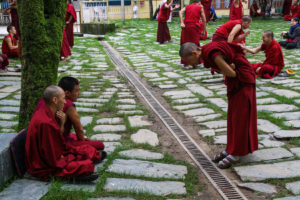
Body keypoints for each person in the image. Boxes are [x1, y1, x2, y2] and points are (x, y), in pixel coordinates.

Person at [179, 42, 257, 169]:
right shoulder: (207, 53)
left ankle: (237, 152)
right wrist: (227, 67)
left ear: (194, 53)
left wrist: (225, 68)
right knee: (233, 117)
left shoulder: (213, 54)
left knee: (240, 118)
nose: (191, 64)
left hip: (243, 81)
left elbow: (232, 73)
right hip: (236, 82)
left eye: (189, 61)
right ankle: (231, 148)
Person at [26, 86, 100, 181]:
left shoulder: (46, 112)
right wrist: (66, 158)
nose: (65, 102)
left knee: (85, 154)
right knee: (86, 165)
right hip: (42, 166)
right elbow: (52, 160)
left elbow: (56, 140)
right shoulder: (46, 123)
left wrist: (62, 123)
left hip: (52, 156)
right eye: (63, 98)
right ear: (55, 100)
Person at [33, 77, 106, 155]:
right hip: (57, 143)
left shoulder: (46, 99)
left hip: (41, 140)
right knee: (99, 145)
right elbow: (79, 130)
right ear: (67, 93)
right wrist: (83, 146)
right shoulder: (67, 104)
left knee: (73, 137)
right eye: (77, 90)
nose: (79, 93)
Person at [179, 0, 206, 69]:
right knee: (195, 44)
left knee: (185, 44)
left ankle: (186, 64)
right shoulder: (200, 7)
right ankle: (195, 63)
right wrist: (203, 30)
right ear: (199, 2)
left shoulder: (187, 6)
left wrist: (182, 22)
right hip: (194, 27)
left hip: (186, 27)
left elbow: (180, 12)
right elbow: (204, 20)